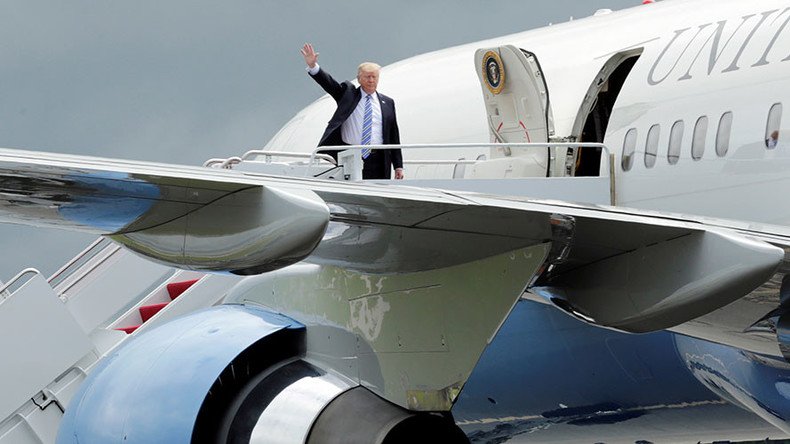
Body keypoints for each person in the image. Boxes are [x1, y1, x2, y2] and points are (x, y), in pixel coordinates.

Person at [300, 43, 404, 180]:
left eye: (374, 77)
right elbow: (330, 84)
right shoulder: (348, 95)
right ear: (359, 78)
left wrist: (398, 166)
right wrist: (313, 67)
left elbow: (393, 136)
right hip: (351, 155)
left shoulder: (387, 103)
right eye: (367, 77)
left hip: (379, 159)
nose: (371, 80)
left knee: (378, 193)